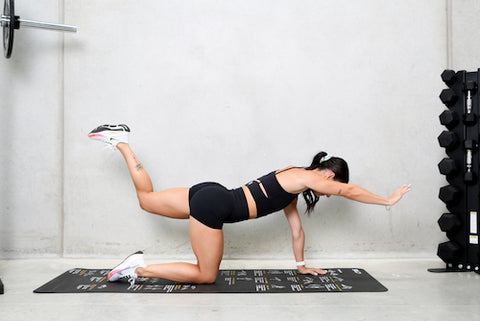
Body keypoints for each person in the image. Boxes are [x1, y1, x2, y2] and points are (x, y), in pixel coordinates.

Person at [88, 124, 411, 285]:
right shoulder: (307, 177)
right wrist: (387, 200)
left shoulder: (292, 180)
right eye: (331, 185)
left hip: (212, 192)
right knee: (206, 275)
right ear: (328, 173)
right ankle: (137, 268)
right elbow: (350, 191)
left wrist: (302, 266)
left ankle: (122, 143)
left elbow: (296, 230)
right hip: (214, 206)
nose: (328, 192)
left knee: (146, 200)